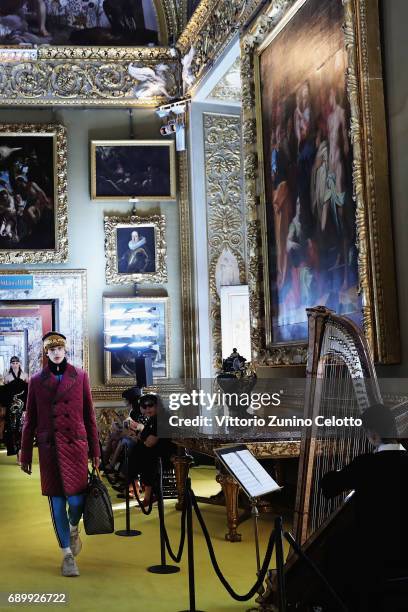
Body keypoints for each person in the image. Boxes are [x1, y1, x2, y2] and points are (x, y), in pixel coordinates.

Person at [20, 332, 100, 578]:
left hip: (75, 446)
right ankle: (66, 555)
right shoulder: (36, 380)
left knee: (76, 502)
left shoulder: (81, 377)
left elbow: (90, 416)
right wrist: (24, 454)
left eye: (60, 348)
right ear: (46, 353)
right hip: (50, 449)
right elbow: (30, 419)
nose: (56, 352)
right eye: (51, 349)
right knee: (56, 504)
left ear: (65, 351)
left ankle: (74, 528)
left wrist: (96, 450)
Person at [321, 404, 408, 611]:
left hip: (373, 549)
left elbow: (328, 487)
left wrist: (342, 470)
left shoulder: (366, 464)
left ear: (373, 434)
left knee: (333, 546)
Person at [126, 393, 176, 507]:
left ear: (158, 405)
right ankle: (134, 484)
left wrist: (141, 436)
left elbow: (150, 441)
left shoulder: (163, 418)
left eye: (150, 405)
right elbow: (144, 437)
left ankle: (142, 491)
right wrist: (142, 436)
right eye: (144, 406)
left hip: (167, 454)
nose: (147, 408)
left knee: (144, 454)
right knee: (135, 449)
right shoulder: (153, 419)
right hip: (155, 451)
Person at [2, 356, 28, 461]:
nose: (15, 364)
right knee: (13, 430)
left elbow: (28, 393)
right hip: (11, 408)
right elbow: (4, 395)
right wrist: (4, 408)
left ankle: (21, 455)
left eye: (17, 362)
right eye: (13, 362)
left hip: (22, 408)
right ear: (10, 364)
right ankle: (17, 453)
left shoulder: (25, 375)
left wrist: (27, 407)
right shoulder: (7, 377)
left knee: (22, 430)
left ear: (20, 363)